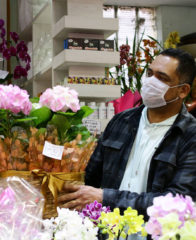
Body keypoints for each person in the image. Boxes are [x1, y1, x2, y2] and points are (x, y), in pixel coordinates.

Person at [58, 48, 196, 218]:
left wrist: (106, 198)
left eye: (162, 78)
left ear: (183, 90)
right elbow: (91, 176)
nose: (150, 82)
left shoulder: (190, 135)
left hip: (154, 232)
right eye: (150, 73)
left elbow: (177, 202)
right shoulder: (121, 122)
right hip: (107, 229)